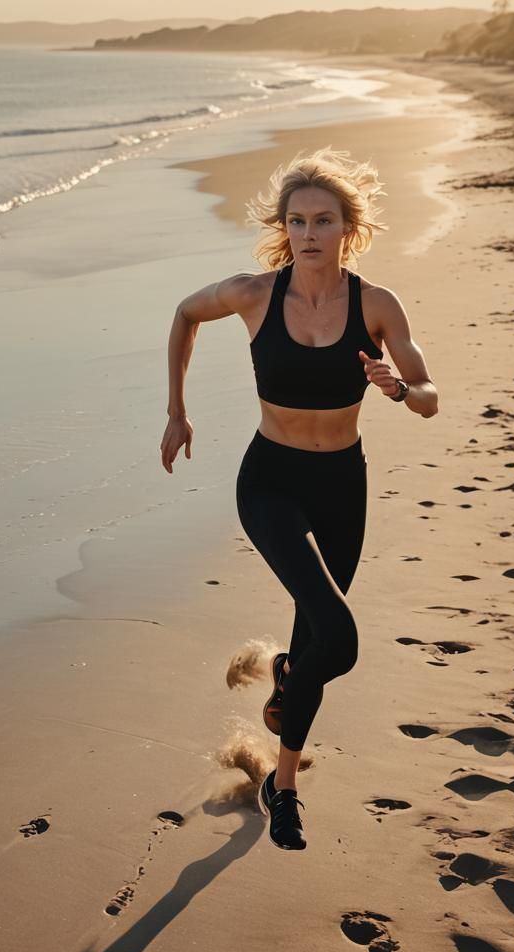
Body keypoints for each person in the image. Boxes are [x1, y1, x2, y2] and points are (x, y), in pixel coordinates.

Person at [159, 147, 438, 851]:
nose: (310, 232)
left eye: (324, 220)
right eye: (299, 220)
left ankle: (281, 790)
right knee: (336, 641)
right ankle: (285, 673)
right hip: (272, 482)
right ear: (285, 227)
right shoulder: (255, 294)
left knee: (318, 636)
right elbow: (185, 315)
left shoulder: (377, 304)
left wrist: (398, 389)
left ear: (349, 226)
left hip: (344, 485)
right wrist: (176, 411)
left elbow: (430, 398)